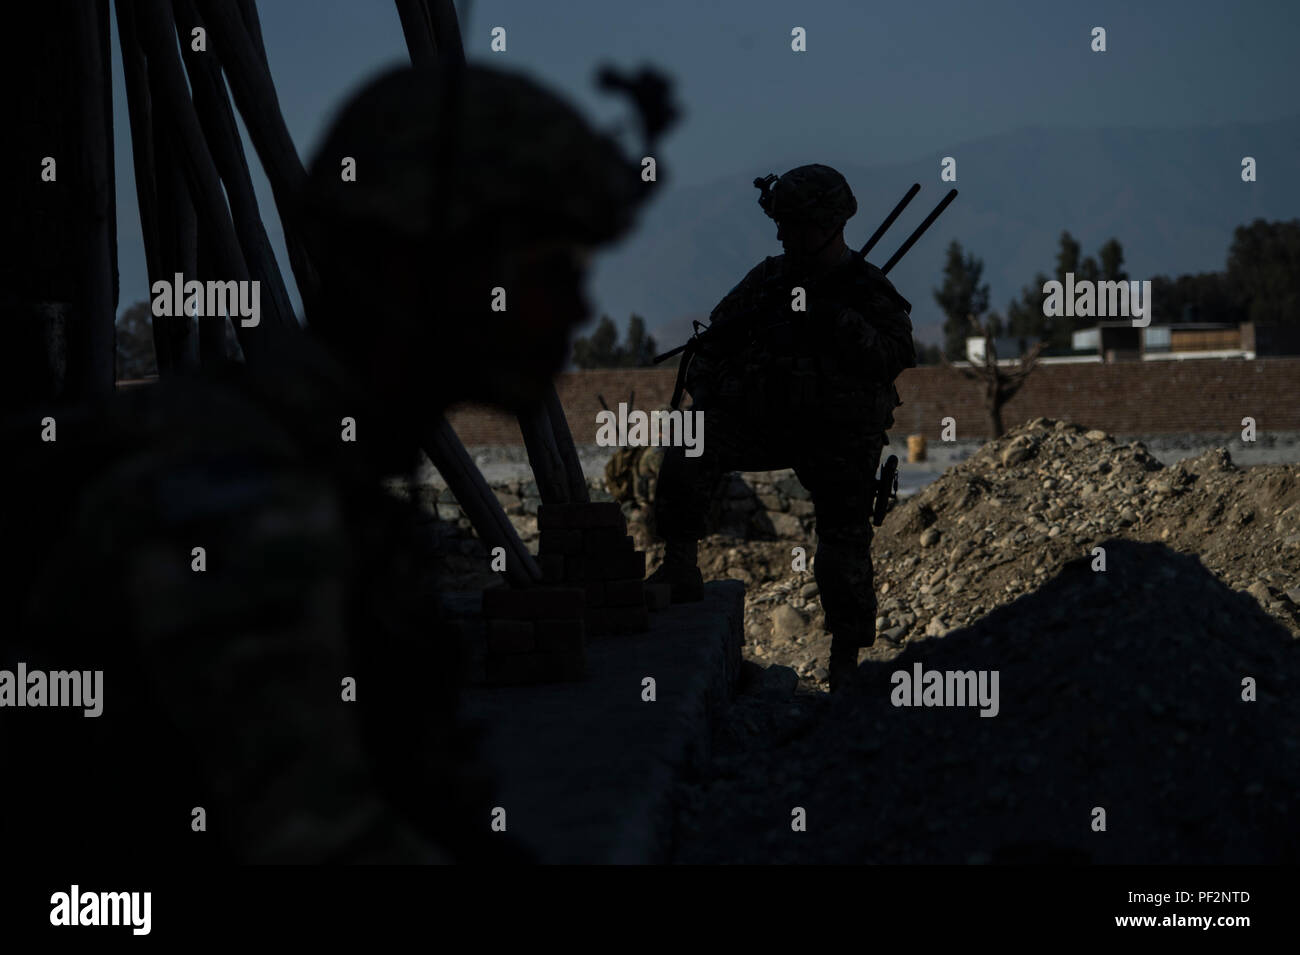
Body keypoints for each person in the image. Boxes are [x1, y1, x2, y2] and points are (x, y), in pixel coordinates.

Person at [0, 63, 659, 862]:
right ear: (416, 268)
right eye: (547, 269)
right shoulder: (247, 501)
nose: (581, 308)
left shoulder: (324, 463)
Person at [648, 164, 915, 691]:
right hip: (768, 424)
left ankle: (845, 662)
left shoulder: (864, 287)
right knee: (690, 436)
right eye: (781, 223)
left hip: (838, 434)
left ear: (830, 224)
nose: (782, 235)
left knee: (843, 544)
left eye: (795, 225)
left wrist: (835, 319)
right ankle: (680, 564)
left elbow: (894, 355)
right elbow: (712, 342)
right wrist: (716, 389)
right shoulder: (770, 277)